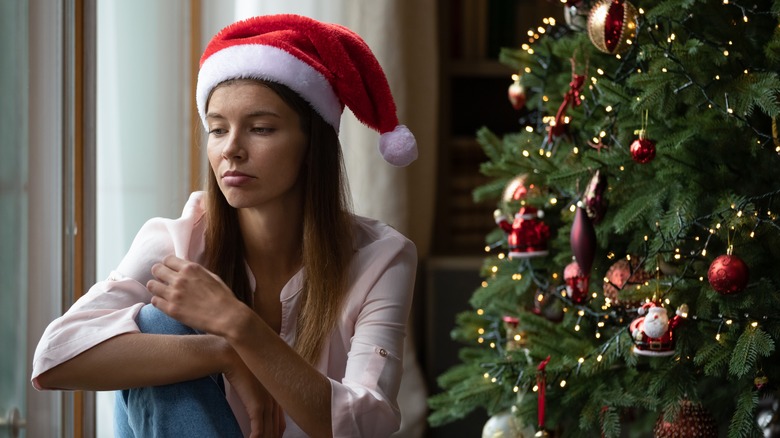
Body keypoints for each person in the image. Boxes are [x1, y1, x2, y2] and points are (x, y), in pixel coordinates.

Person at [32, 14, 419, 438]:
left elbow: (372, 422)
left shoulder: (381, 257)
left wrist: (240, 325)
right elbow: (54, 358)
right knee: (158, 327)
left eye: (260, 129)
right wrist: (221, 352)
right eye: (217, 129)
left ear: (313, 145)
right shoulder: (176, 239)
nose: (231, 150)